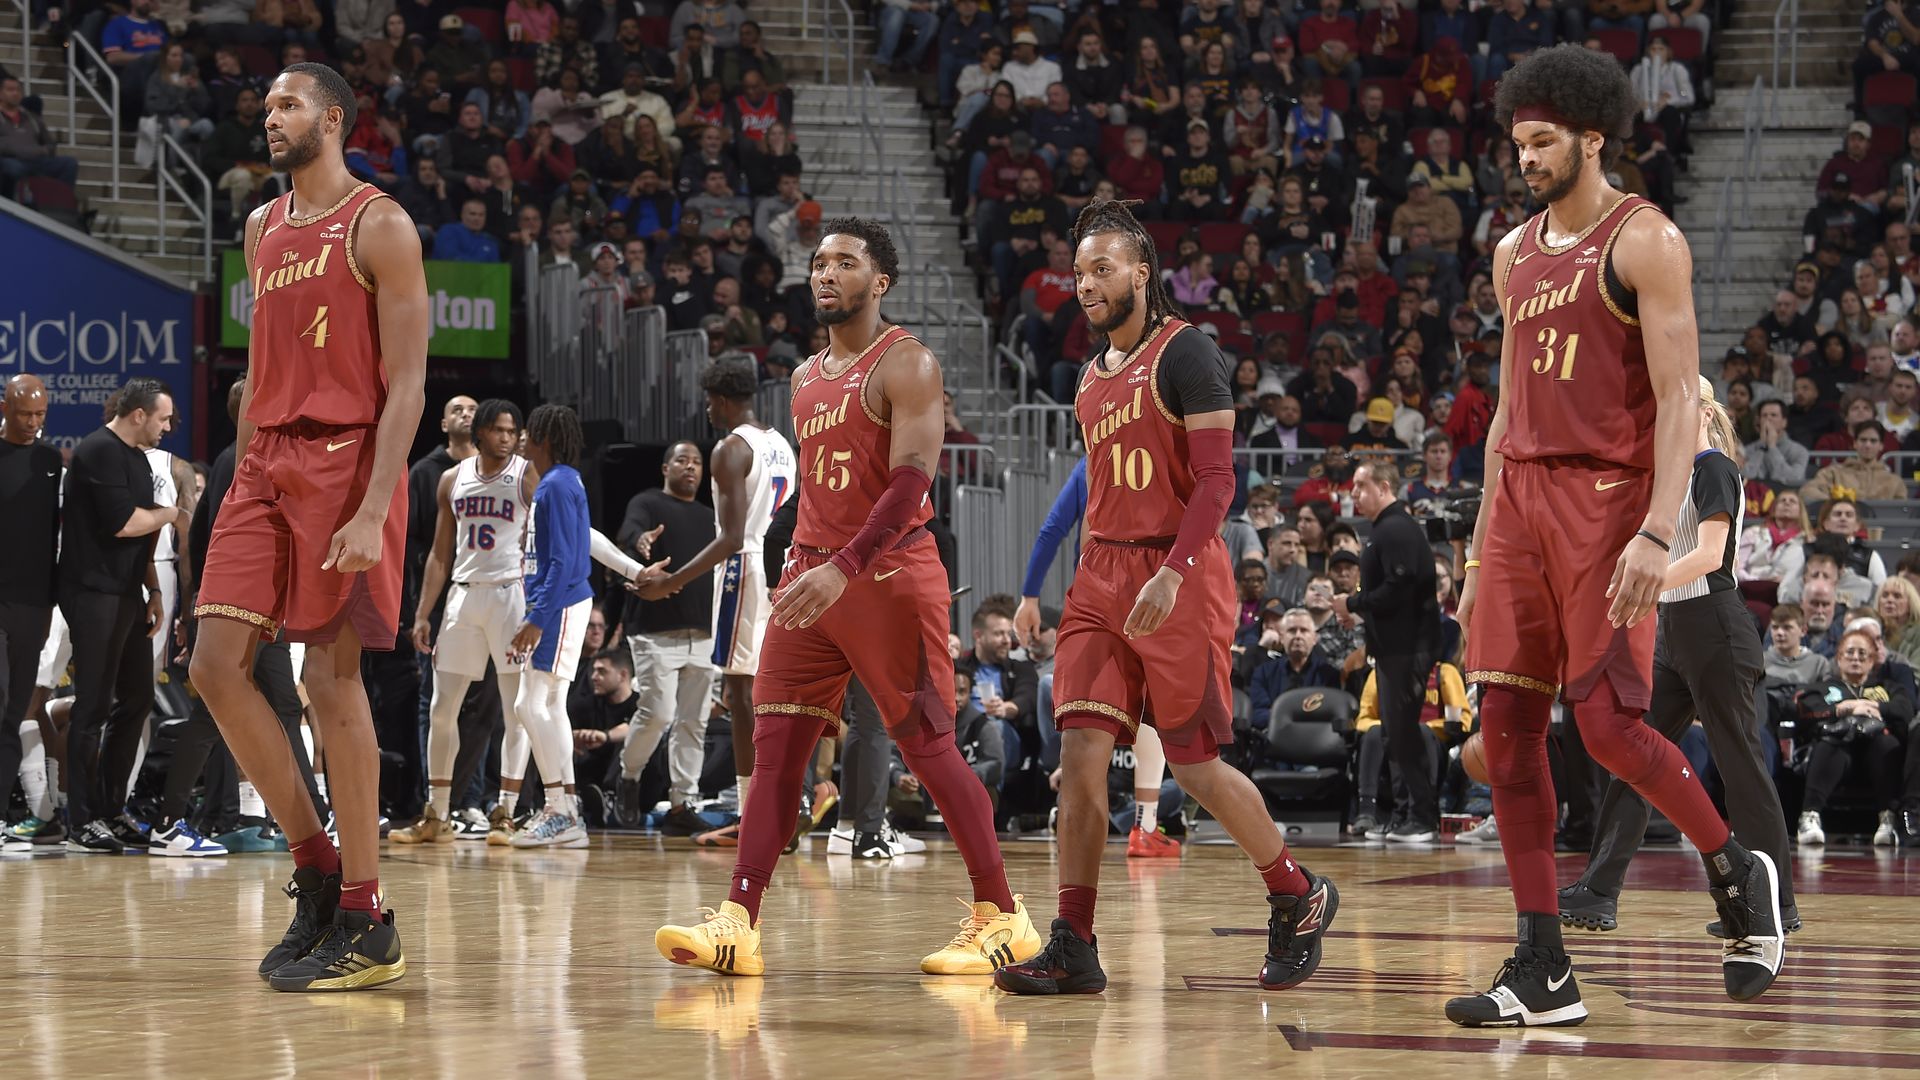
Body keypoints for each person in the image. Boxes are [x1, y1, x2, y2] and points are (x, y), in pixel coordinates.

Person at [1450, 45, 1785, 1028]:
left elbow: (1684, 397)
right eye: (1518, 144)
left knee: (1606, 726)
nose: (1527, 158)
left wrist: (1651, 527)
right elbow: (1509, 410)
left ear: (1593, 137)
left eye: (1544, 142)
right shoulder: (1514, 255)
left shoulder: (1647, 241)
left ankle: (1737, 872)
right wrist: (1477, 552)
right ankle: (1542, 967)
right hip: (1517, 501)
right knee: (1507, 736)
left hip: (1605, 499)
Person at [656, 217, 1040, 978]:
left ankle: (1004, 918)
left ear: (881, 281)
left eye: (845, 262)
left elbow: (909, 481)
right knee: (775, 751)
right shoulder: (802, 379)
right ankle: (739, 919)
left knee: (927, 747)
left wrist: (845, 566)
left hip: (890, 573)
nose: (826, 273)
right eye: (819, 262)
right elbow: (824, 493)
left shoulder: (909, 364)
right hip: (814, 573)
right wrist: (807, 563)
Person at [997, 199, 1338, 998]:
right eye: (1079, 272)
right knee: (1080, 757)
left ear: (1142, 273)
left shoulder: (1189, 354)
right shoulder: (1087, 379)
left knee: (1195, 767)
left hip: (1177, 575)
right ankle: (1073, 940)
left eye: (1102, 269)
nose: (1086, 284)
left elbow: (1218, 480)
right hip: (1100, 579)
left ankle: (1296, 891)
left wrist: (1174, 570)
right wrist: (1042, 585)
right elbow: (1085, 499)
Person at [188, 63, 426, 993]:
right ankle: (316, 864)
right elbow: (258, 360)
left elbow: (407, 384)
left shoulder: (381, 224)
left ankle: (368, 915)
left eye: (287, 104)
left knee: (330, 678)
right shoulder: (260, 226)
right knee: (213, 665)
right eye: (266, 104)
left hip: (346, 462)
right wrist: (234, 476)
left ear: (333, 118)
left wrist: (374, 506)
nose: (269, 115)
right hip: (265, 460)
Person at [1559, 379, 1799, 935]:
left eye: (1676, 408)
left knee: (1740, 767)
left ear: (1706, 415)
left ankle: (1777, 903)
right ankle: (1599, 888)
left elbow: (1711, 556)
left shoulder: (1714, 466)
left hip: (1716, 624)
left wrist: (1643, 583)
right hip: (1675, 631)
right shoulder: (1668, 479)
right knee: (1632, 751)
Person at [631, 358, 797, 847]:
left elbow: (730, 538)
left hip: (745, 571)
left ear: (722, 400)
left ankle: (754, 817)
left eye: (708, 400)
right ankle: (781, 809)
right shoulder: (782, 445)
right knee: (770, 696)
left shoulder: (730, 448)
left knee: (740, 695)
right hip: (783, 567)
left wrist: (672, 582)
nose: (707, 409)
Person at [395, 400, 535, 844]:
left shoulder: (526, 474)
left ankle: (506, 812)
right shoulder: (452, 479)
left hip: (511, 595)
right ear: (479, 433)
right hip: (462, 595)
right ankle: (436, 812)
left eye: (512, 431)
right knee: (442, 707)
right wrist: (422, 612)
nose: (507, 438)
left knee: (515, 710)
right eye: (498, 430)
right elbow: (439, 553)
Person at [60, 379, 186, 856]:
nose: (168, 427)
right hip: (91, 592)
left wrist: (153, 589)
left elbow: (142, 531)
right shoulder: (98, 452)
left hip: (128, 593)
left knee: (135, 699)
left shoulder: (136, 459)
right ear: (139, 415)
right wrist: (171, 513)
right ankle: (81, 820)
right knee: (91, 706)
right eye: (163, 418)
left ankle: (113, 810)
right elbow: (126, 522)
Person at [503, 405, 607, 849]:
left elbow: (564, 560)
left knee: (530, 706)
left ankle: (560, 810)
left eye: (530, 432)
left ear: (545, 437)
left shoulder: (557, 485)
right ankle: (565, 808)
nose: (523, 438)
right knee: (544, 706)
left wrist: (536, 618)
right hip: (559, 603)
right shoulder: (559, 482)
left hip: (561, 605)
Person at [1333, 459, 1444, 841]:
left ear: (1383, 486)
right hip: (1396, 647)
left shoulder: (1395, 528)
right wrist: (1361, 612)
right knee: (1393, 735)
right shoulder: (1387, 529)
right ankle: (1404, 815)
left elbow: (1400, 590)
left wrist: (1353, 605)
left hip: (1408, 649)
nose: (1353, 494)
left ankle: (1424, 818)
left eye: (1360, 486)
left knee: (1402, 733)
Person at [0, 377, 61, 838]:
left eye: (40, 415)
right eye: (26, 415)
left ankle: (1, 814)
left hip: (33, 602)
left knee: (15, 708)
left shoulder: (50, 460)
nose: (34, 423)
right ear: (7, 408)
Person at [1795, 627, 1914, 846]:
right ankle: (1809, 816)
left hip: (1876, 752)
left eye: (1862, 654)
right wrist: (1843, 708)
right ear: (1838, 658)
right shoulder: (1823, 687)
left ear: (1872, 661)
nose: (1856, 658)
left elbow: (1906, 709)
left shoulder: (1887, 688)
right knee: (1830, 743)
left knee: (1887, 743)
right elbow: (1804, 711)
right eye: (1849, 653)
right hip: (1837, 753)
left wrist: (1873, 705)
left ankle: (1888, 819)